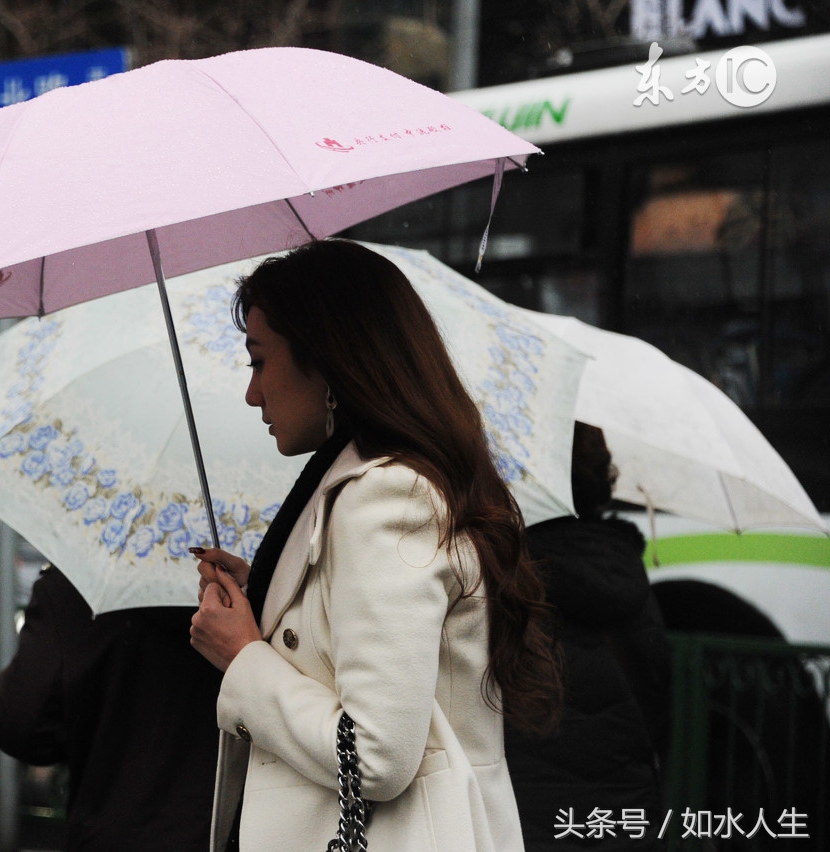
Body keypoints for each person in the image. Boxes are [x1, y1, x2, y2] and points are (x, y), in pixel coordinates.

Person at [188, 239, 563, 852]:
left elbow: (375, 755)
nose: (252, 394)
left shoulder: (386, 495)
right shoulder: (386, 482)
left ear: (328, 364)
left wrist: (244, 657)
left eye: (258, 361)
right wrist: (270, 593)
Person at [504, 422, 671, 851]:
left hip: (530, 823)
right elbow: (659, 703)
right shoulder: (628, 574)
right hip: (626, 821)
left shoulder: (507, 582)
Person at [0, 563, 223, 852]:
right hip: (226, 831)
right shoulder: (250, 585)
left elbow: (19, 721)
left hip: (112, 826)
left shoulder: (79, 584)